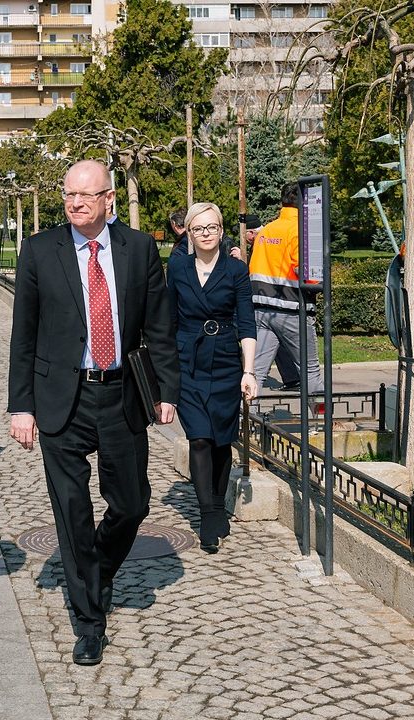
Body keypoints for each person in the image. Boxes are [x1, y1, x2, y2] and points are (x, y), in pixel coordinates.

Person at [8, 159, 180, 666]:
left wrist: (166, 390)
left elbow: (160, 327)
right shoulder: (40, 250)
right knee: (71, 513)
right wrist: (22, 406)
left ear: (109, 199)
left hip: (121, 394)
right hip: (62, 398)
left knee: (132, 504)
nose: (75, 203)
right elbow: (24, 334)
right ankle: (89, 620)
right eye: (68, 195)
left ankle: (100, 565)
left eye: (86, 195)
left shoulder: (139, 249)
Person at [167, 202, 258, 553]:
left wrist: (248, 370)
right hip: (187, 360)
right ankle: (207, 515)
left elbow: (247, 323)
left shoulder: (236, 270)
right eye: (198, 229)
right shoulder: (177, 268)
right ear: (188, 233)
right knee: (200, 438)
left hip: (224, 362)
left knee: (222, 440)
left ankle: (218, 504)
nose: (206, 234)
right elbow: (168, 318)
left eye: (212, 228)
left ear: (222, 231)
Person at [248, 183, 324, 393]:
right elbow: (310, 277)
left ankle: (246, 422)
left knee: (254, 374)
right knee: (310, 373)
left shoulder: (266, 231)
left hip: (261, 310)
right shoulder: (301, 230)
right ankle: (321, 423)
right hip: (293, 310)